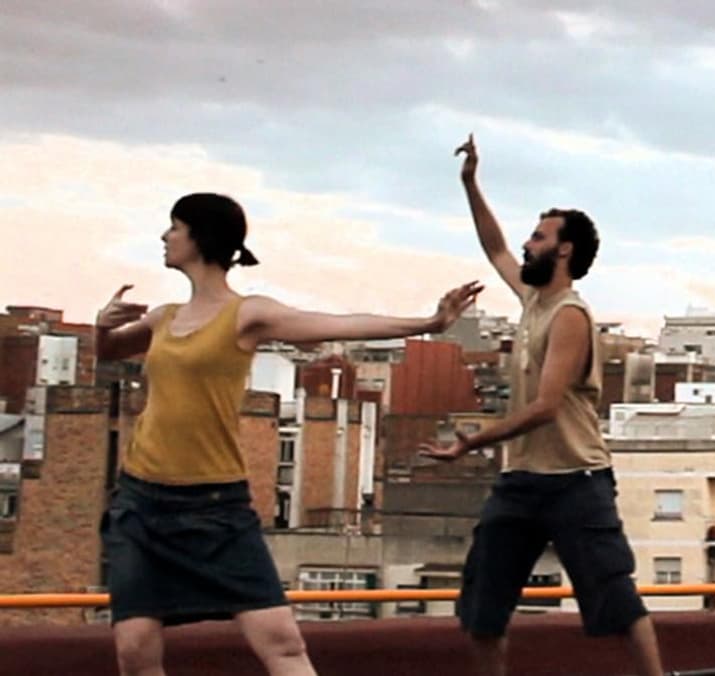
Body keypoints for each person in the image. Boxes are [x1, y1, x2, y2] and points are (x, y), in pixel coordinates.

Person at [94, 192, 482, 676]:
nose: (164, 236)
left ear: (200, 237)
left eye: (174, 227)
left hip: (215, 507)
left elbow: (338, 325)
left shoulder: (246, 314)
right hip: (142, 503)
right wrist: (102, 327)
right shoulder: (163, 318)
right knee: (135, 650)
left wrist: (429, 322)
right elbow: (108, 352)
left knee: (283, 643)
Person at [416, 135, 663, 676]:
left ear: (564, 250)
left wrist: (473, 442)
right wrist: (470, 183)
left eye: (539, 236)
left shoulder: (569, 315)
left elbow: (547, 406)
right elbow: (495, 248)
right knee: (481, 611)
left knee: (615, 600)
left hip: (576, 480)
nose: (527, 245)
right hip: (522, 482)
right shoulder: (533, 300)